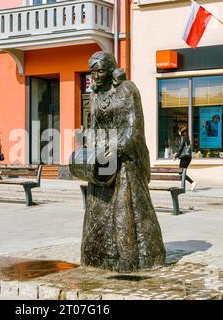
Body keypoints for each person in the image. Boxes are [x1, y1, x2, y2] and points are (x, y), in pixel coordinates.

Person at [74, 51, 166, 272]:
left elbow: (134, 129)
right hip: (103, 160)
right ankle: (97, 258)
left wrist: (114, 148)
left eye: (100, 71)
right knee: (98, 211)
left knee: (125, 209)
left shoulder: (127, 89)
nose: (95, 76)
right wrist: (93, 150)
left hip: (126, 161)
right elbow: (93, 128)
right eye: (92, 72)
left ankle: (132, 258)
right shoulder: (95, 95)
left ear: (111, 69)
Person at [173, 127, 197, 191]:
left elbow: (180, 147)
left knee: (181, 172)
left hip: (185, 157)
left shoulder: (183, 138)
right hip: (188, 157)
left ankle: (192, 182)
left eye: (179, 131)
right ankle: (186, 185)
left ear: (181, 132)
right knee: (182, 172)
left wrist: (176, 156)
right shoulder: (187, 138)